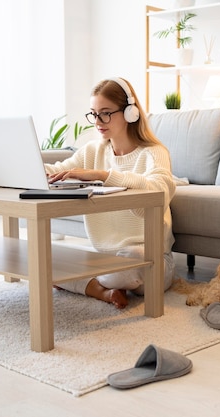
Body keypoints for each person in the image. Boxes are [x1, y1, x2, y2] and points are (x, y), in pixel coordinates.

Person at [45, 77, 176, 309]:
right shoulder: (93, 150)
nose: (98, 121)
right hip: (104, 259)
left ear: (130, 113)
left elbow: (159, 189)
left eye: (105, 113)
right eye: (93, 114)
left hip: (149, 259)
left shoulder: (154, 153)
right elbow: (56, 171)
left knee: (132, 257)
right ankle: (105, 291)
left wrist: (104, 175)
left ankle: (89, 284)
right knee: (44, 260)